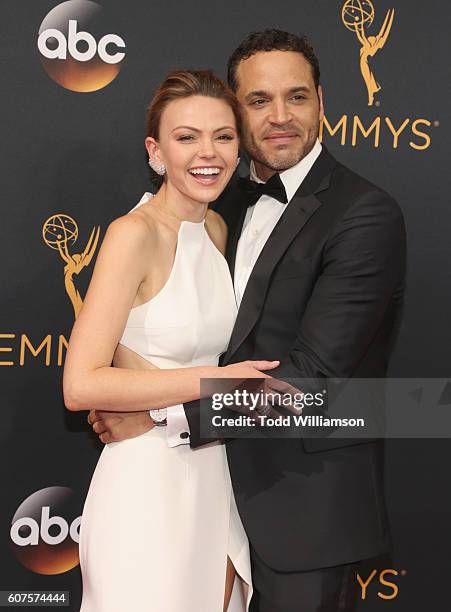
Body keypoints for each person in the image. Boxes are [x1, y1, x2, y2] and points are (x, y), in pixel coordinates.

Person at [89, 30, 406, 612]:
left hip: (303, 512)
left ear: (323, 101)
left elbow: (311, 377)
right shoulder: (213, 207)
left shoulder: (364, 214)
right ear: (235, 112)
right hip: (204, 498)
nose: (280, 116)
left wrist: (162, 415)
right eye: (259, 101)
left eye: (297, 97)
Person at [63, 69, 284, 612]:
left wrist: (207, 393)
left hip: (212, 476)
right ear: (155, 150)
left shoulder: (215, 231)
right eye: (186, 137)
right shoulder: (132, 234)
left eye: (223, 136)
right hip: (145, 484)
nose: (207, 153)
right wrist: (214, 384)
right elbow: (80, 383)